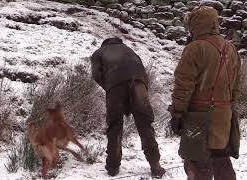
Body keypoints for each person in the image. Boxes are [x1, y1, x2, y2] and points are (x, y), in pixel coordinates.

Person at [169, 6, 241, 180]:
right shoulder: (230, 49)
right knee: (221, 160)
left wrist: (177, 113)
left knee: (197, 165)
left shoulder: (195, 48)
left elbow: (183, 85)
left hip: (199, 117)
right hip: (225, 116)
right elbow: (236, 87)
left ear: (196, 24)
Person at [90, 37, 166, 178]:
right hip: (139, 85)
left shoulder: (99, 52)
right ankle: (155, 165)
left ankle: (113, 167)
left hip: (115, 85)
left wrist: (110, 87)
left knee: (115, 126)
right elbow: (142, 72)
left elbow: (96, 75)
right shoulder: (130, 50)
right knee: (145, 125)